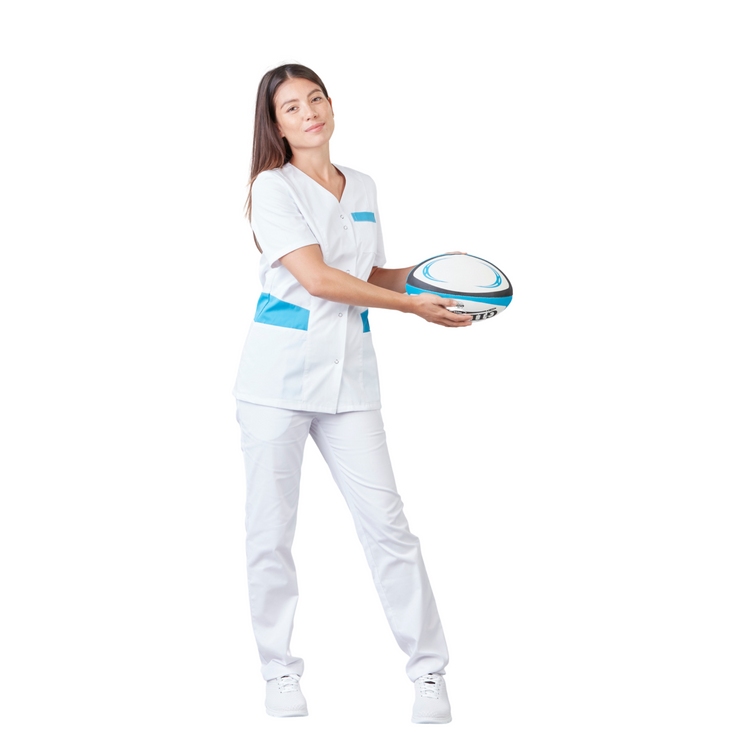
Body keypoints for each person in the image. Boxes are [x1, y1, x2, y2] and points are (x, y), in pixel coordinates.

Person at [233, 63, 470, 724]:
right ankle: (278, 669)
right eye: (291, 107)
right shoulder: (272, 187)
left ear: (332, 105)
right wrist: (411, 308)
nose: (309, 112)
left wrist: (432, 280)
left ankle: (428, 672)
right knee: (271, 533)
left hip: (351, 380)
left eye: (316, 99)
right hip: (277, 382)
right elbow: (319, 279)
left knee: (389, 527)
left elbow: (367, 272)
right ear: (276, 125)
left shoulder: (361, 184)